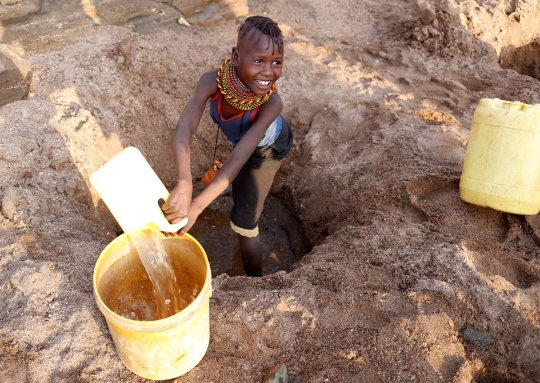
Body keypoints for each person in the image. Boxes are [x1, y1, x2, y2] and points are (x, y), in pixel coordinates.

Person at [161, 16, 293, 277]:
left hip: (266, 150)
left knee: (244, 222)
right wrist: (185, 183)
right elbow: (184, 130)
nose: (269, 71)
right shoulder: (212, 81)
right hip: (242, 143)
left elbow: (239, 157)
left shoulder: (271, 104)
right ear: (235, 57)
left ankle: (254, 282)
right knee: (233, 175)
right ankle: (230, 189)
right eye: (259, 60)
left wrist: (197, 206)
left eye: (276, 62)